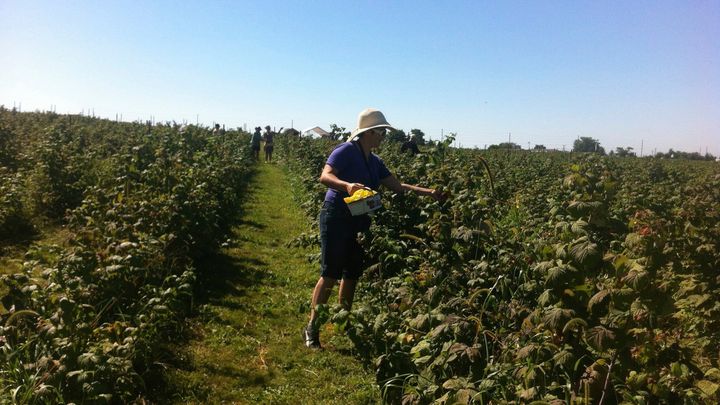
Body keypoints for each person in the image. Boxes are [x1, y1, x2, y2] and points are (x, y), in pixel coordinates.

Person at [302, 108, 445, 348]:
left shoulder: (375, 161)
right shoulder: (345, 151)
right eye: (382, 132)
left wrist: (429, 193)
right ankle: (312, 328)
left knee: (352, 274)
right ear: (369, 132)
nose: (384, 137)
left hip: (360, 219)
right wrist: (347, 186)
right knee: (330, 274)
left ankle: (344, 322)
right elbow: (325, 176)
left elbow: (398, 186)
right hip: (336, 216)